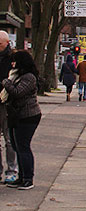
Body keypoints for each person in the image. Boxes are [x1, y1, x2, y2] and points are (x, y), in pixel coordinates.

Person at [1, 50, 42, 190]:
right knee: (16, 145)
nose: (12, 64)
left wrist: (6, 83)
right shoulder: (17, 75)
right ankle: (21, 177)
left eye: (14, 61)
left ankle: (28, 178)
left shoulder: (29, 77)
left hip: (28, 116)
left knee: (23, 146)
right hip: (16, 115)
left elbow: (18, 92)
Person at [0, 30, 18, 185]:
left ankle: (11, 170)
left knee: (9, 139)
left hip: (7, 103)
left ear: (6, 43)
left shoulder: (13, 59)